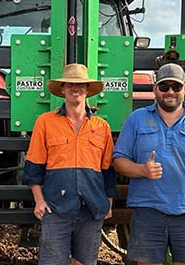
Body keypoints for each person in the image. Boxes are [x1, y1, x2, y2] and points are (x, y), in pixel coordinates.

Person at [113, 63, 185, 265]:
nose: (170, 92)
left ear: (184, 88)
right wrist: (142, 170)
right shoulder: (136, 120)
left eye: (176, 87)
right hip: (148, 210)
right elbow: (119, 160)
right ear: (155, 89)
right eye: (164, 86)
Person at [24, 63, 117, 265]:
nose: (76, 88)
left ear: (87, 90)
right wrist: (39, 201)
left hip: (91, 209)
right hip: (56, 208)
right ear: (63, 89)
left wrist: (108, 201)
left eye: (81, 85)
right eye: (70, 84)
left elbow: (108, 169)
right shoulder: (45, 122)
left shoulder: (102, 127)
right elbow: (33, 167)